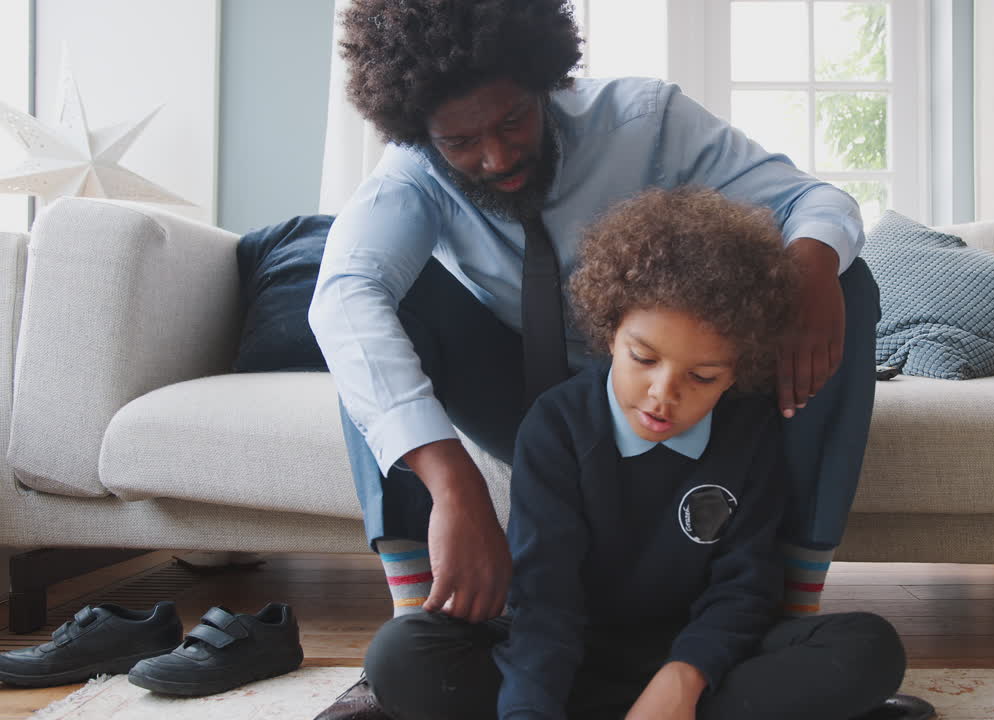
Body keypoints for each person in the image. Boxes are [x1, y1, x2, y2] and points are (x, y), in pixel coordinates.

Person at [309, 1, 882, 717]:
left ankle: (785, 621)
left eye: (513, 120)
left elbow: (813, 198)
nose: (496, 157)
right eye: (462, 142)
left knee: (837, 279)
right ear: (422, 135)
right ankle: (423, 613)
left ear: (543, 81)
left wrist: (813, 263)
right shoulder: (411, 173)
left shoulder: (645, 119)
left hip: (685, 391)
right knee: (369, 315)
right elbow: (343, 300)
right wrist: (452, 481)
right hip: (529, 400)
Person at [362, 187, 927, 720]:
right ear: (610, 333)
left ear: (736, 372)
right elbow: (545, 601)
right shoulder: (557, 425)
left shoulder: (747, 434)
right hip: (572, 650)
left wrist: (682, 676)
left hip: (698, 659)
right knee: (400, 654)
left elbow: (744, 589)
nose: (664, 394)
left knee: (869, 649)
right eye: (643, 358)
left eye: (702, 376)